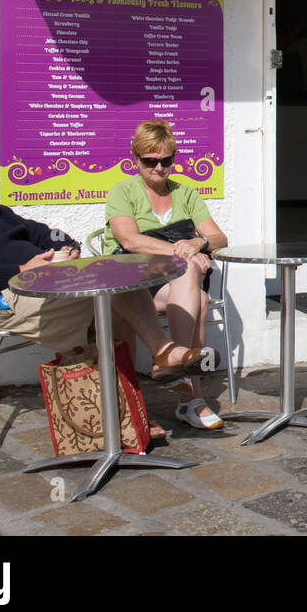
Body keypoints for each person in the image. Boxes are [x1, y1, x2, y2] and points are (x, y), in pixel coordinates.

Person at [0, 146, 209, 382]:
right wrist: (22, 271)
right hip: (4, 303)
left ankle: (133, 404)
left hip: (52, 281)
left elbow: (42, 232)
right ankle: (132, 403)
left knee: (117, 280)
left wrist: (65, 246)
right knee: (111, 301)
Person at [106, 120, 229, 430]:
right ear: (135, 158)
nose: (159, 168)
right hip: (132, 284)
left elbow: (219, 238)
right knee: (194, 288)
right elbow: (129, 240)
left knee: (198, 295)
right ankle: (190, 395)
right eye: (150, 161)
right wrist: (182, 249)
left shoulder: (185, 193)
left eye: (166, 160)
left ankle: (177, 368)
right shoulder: (123, 191)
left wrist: (197, 243)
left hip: (171, 286)